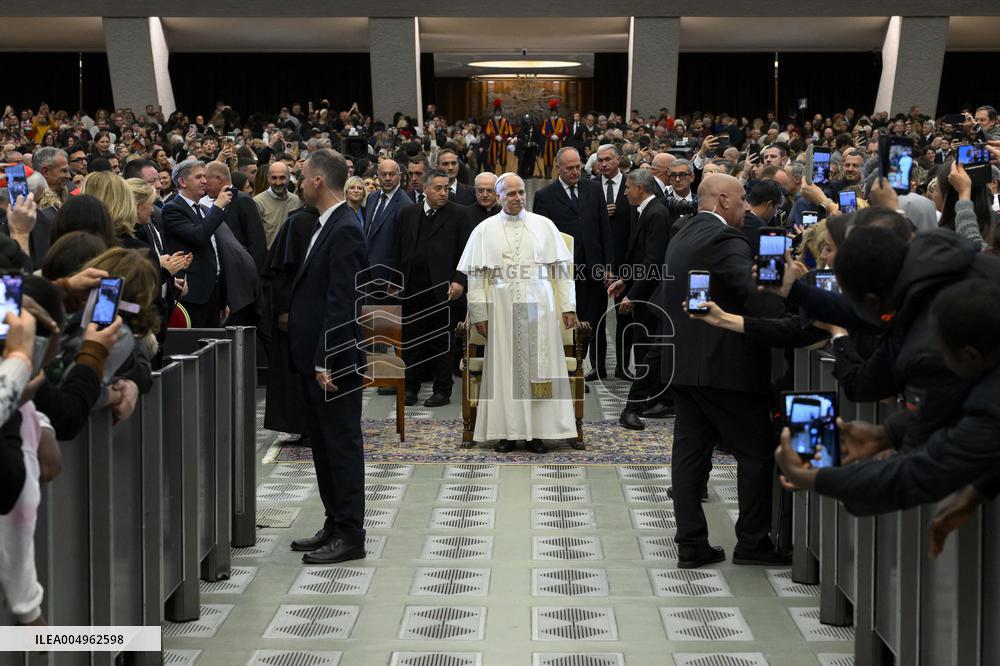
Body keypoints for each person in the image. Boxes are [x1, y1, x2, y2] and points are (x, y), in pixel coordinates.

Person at [776, 279, 1000, 524]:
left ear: (971, 354)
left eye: (946, 356)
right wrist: (886, 433)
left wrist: (811, 478)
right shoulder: (984, 376)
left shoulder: (988, 406)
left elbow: (918, 474)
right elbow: (953, 406)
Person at [659, 173, 787, 569]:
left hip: (683, 363)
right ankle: (752, 543)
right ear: (725, 200)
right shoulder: (725, 238)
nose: (748, 207)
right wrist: (785, 302)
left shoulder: (681, 232)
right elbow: (750, 291)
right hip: (724, 365)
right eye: (743, 199)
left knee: (690, 455)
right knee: (757, 453)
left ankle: (691, 544)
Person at [458, 173, 578, 454]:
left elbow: (561, 272)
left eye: (521, 193)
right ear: (498, 197)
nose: (517, 198)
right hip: (501, 309)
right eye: (510, 194)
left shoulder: (544, 225)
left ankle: (539, 433)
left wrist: (567, 306)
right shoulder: (484, 230)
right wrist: (479, 314)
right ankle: (507, 433)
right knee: (504, 371)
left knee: (540, 369)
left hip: (540, 307)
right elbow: (475, 277)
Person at [287, 148, 367, 565]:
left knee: (341, 446)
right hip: (317, 359)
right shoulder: (325, 225)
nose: (299, 184)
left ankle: (351, 534)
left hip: (333, 362)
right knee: (323, 446)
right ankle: (335, 522)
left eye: (303, 177)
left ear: (318, 180)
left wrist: (326, 358)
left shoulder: (346, 227)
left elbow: (343, 300)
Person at [393, 169, 473, 407]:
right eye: (437, 188)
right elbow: (399, 248)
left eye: (446, 188)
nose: (443, 192)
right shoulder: (409, 213)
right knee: (412, 343)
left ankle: (442, 391)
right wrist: (395, 280)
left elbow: (466, 253)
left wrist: (459, 280)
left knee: (442, 344)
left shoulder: (460, 214)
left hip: (443, 291)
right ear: (425, 189)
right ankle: (410, 388)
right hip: (412, 290)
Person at [532, 147, 613, 383]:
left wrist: (608, 265)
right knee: (568, 318)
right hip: (564, 270)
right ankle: (571, 366)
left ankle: (597, 367)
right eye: (570, 168)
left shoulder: (594, 189)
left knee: (596, 317)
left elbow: (604, 229)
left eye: (578, 166)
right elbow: (541, 238)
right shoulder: (545, 196)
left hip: (594, 266)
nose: (576, 171)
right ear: (559, 167)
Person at [609, 169, 672, 430]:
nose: (624, 193)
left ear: (640, 189)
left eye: (628, 188)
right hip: (643, 290)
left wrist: (633, 295)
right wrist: (625, 280)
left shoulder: (656, 212)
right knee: (646, 350)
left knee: (649, 353)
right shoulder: (647, 210)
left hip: (652, 295)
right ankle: (648, 400)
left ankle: (638, 404)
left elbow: (653, 261)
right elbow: (640, 257)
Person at [263, 203, 318, 446]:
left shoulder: (338, 221)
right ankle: (301, 425)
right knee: (294, 370)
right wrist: (283, 309)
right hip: (294, 310)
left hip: (316, 312)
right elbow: (280, 271)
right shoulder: (299, 222)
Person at [162, 159, 233, 327]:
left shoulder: (201, 209)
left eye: (205, 176)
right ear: (182, 182)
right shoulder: (172, 209)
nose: (204, 181)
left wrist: (222, 299)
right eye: (198, 177)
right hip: (191, 296)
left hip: (213, 295)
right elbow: (198, 236)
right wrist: (218, 206)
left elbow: (214, 252)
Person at [595, 143, 633, 379]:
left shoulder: (632, 184)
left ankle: (622, 366)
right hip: (598, 262)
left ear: (618, 160)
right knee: (595, 315)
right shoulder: (590, 187)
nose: (604, 164)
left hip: (625, 260)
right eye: (600, 160)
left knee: (624, 316)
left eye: (608, 159)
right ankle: (597, 366)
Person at [202, 161, 267, 272]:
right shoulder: (204, 202)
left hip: (242, 271)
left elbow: (256, 241)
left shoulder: (242, 200)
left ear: (218, 179)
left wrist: (252, 272)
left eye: (206, 179)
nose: (203, 183)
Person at [363, 158, 410, 288]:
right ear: (377, 176)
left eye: (392, 174)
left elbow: (404, 248)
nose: (388, 178)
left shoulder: (405, 205)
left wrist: (395, 280)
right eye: (383, 174)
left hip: (388, 277)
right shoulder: (372, 197)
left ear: (399, 176)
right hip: (366, 272)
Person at [253, 161, 301, 249]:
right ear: (268, 178)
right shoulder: (258, 202)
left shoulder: (296, 201)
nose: (278, 183)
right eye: (274, 178)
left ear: (289, 177)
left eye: (282, 178)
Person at [539, 99, 569, 179]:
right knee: (548, 159)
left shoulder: (562, 120)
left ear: (557, 112)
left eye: (555, 112)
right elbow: (543, 130)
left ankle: (560, 175)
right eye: (552, 112)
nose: (553, 113)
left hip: (559, 142)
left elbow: (565, 130)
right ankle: (548, 174)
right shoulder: (547, 121)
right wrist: (550, 136)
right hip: (549, 143)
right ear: (551, 112)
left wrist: (558, 136)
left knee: (560, 159)